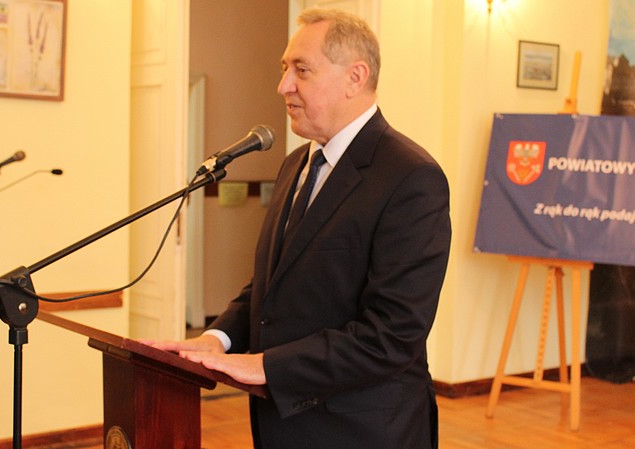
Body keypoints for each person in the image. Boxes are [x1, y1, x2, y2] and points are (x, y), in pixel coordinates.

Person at [148, 8, 450, 449]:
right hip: (281, 422)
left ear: (355, 77)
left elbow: (393, 334)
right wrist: (218, 338)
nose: (283, 85)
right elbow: (271, 287)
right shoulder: (296, 164)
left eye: (301, 70)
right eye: (284, 68)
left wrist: (266, 366)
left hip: (362, 431)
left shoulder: (410, 176)